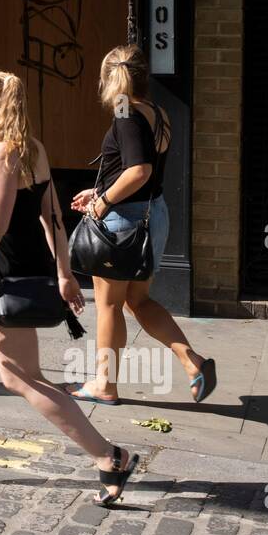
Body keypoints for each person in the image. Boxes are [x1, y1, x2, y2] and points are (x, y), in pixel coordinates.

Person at [0, 70, 138, 506]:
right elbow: (55, 217)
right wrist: (63, 273)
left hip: (4, 277)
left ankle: (110, 456)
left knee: (21, 378)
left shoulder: (3, 153)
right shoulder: (32, 149)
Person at [66, 45, 217, 406]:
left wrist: (102, 203)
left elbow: (139, 170)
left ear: (108, 77)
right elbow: (138, 169)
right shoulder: (158, 111)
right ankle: (192, 362)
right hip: (152, 215)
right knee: (138, 299)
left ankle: (105, 384)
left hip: (123, 223)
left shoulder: (124, 111)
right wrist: (100, 188)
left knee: (109, 306)